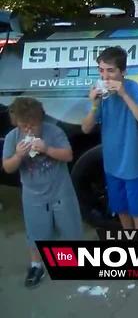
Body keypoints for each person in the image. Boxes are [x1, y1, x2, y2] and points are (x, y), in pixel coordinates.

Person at [2, 97, 83, 288]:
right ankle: (36, 265)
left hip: (60, 190)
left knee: (69, 226)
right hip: (33, 194)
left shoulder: (53, 131)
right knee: (36, 231)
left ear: (41, 120)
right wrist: (18, 156)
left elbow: (68, 155)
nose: (28, 130)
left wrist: (47, 148)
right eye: (24, 126)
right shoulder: (13, 137)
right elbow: (8, 167)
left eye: (32, 125)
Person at [81, 46, 138, 229]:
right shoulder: (99, 91)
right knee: (120, 208)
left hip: (133, 163)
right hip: (112, 164)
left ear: (123, 71)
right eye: (101, 70)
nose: (105, 76)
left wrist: (123, 95)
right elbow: (86, 128)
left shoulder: (132, 88)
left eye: (111, 71)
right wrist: (94, 105)